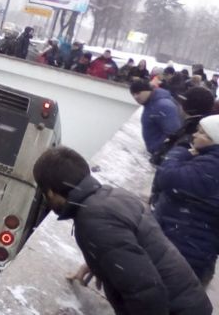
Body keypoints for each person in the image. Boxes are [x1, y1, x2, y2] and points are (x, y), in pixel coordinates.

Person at [33, 146, 213, 315]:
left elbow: (147, 292)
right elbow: (137, 245)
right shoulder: (112, 195)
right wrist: (100, 261)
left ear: (50, 192)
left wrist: (106, 254)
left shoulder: (93, 220)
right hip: (188, 301)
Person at [153, 115, 219, 287]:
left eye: (202, 133)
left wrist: (180, 150)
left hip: (183, 250)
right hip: (192, 248)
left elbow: (167, 178)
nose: (195, 135)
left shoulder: (212, 165)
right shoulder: (209, 160)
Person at [150, 87, 215, 166]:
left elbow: (167, 160)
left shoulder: (192, 131)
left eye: (181, 102)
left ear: (187, 106)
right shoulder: (199, 127)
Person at [129, 80, 181, 157]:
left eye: (138, 93)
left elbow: (173, 133)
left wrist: (159, 151)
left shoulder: (162, 105)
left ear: (147, 90)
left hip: (161, 154)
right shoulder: (150, 103)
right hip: (156, 152)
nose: (135, 97)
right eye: (133, 94)